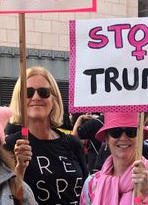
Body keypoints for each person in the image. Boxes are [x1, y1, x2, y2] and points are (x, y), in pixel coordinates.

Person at [6, 66, 88, 205]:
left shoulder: (73, 144)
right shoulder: (10, 145)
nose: (36, 97)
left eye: (44, 92)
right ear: (19, 100)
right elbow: (9, 199)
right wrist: (20, 168)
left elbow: (87, 193)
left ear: (54, 100)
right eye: (28, 92)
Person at [80, 112, 148, 205]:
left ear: (140, 136)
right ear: (106, 138)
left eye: (131, 131)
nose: (123, 138)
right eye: (115, 132)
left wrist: (147, 193)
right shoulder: (91, 184)